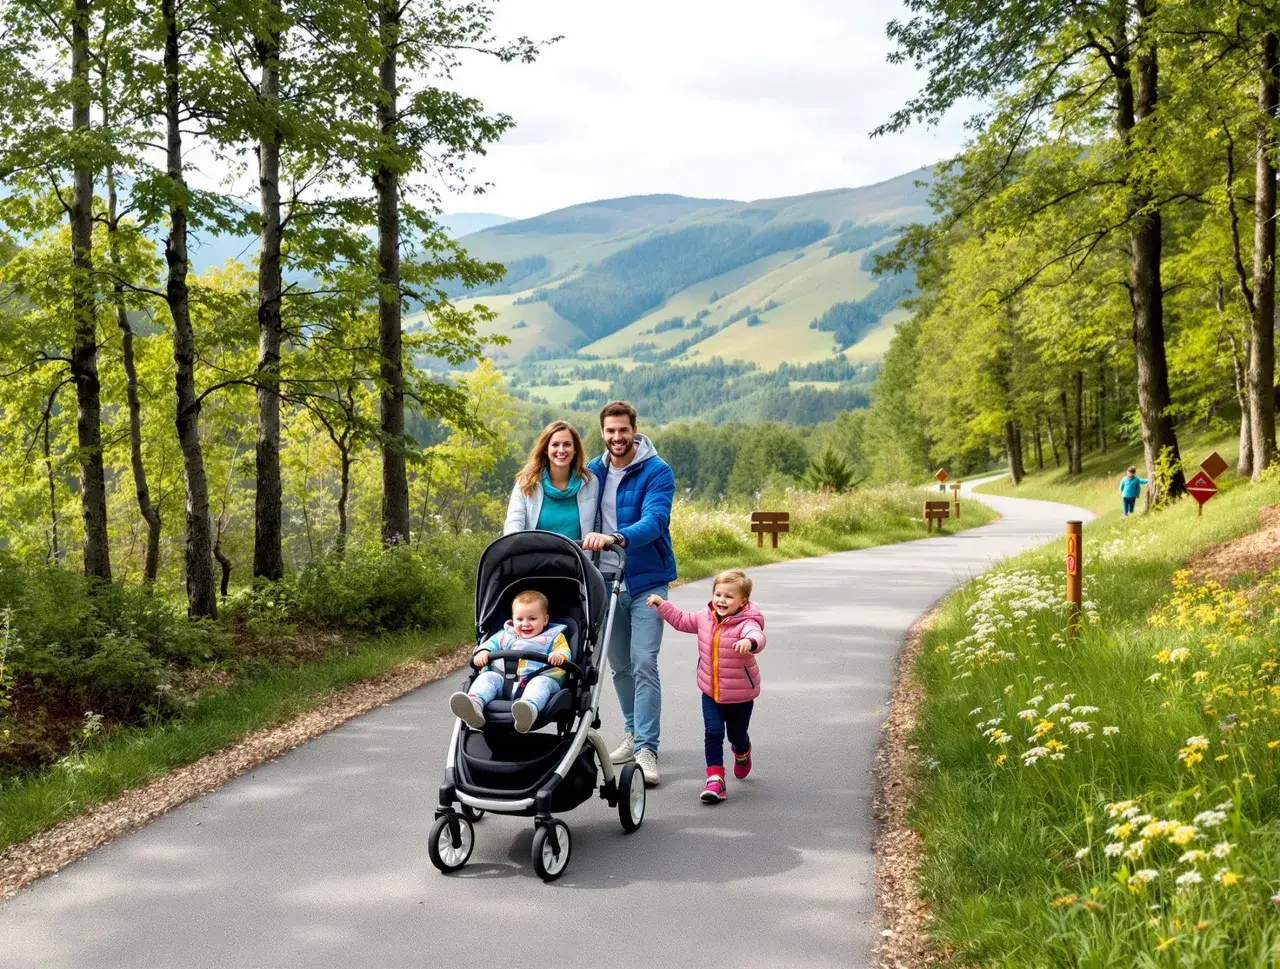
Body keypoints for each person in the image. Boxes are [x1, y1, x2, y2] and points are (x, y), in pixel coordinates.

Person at [581, 400, 677, 787]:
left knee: (643, 662)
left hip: (646, 580)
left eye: (623, 430)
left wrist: (617, 538)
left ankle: (648, 750)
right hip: (604, 582)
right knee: (618, 663)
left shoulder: (657, 471)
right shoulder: (592, 472)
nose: (617, 437)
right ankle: (633, 733)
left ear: (634, 429)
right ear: (602, 433)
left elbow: (656, 520)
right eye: (610, 431)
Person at [647, 569, 765, 804]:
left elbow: (758, 636)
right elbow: (682, 620)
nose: (722, 600)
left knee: (736, 734)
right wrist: (662, 605)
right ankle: (715, 779)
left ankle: (742, 751)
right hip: (710, 691)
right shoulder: (704, 616)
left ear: (743, 601)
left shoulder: (747, 622)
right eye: (718, 594)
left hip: (740, 694)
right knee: (712, 733)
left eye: (729, 597)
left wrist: (748, 641)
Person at [449, 591, 571, 734]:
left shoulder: (554, 637)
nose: (525, 624)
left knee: (540, 683)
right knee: (487, 678)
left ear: (545, 620)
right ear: (512, 620)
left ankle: (528, 709)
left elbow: (564, 651)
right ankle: (474, 706)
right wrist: (483, 652)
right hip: (504, 683)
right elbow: (490, 644)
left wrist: (558, 655)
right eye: (520, 619)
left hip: (538, 680)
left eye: (532, 618)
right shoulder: (505, 635)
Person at [504, 420, 598, 540]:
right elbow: (514, 521)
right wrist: (515, 543)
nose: (561, 450)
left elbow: (597, 525)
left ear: (575, 449)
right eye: (555, 445)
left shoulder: (589, 482)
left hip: (577, 557)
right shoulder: (527, 482)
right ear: (545, 449)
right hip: (535, 557)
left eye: (567, 444)